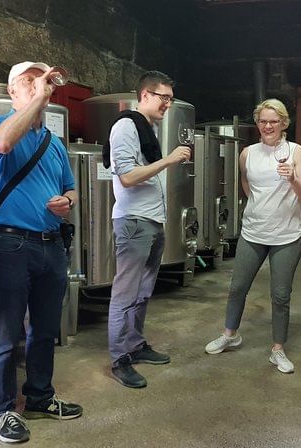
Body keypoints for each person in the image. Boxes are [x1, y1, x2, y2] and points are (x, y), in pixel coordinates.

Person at [0, 61, 82, 444]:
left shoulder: (53, 142)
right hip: (10, 244)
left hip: (51, 244)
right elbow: (3, 145)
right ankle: (1, 410)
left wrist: (68, 201)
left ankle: (39, 397)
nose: (39, 85)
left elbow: (71, 187)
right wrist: (40, 97)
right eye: (29, 81)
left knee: (45, 329)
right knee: (6, 332)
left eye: (43, 79)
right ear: (12, 91)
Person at [205, 98, 301, 373]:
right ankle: (230, 335)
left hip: (286, 235)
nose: (268, 126)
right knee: (237, 288)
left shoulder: (297, 152)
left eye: (274, 121)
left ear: (284, 123)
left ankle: (278, 349)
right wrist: (262, 208)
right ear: (257, 123)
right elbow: (246, 184)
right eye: (263, 121)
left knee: (280, 295)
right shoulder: (247, 153)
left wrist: (292, 179)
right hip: (253, 232)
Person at [107, 70, 191, 388]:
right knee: (125, 293)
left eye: (171, 99)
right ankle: (120, 359)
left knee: (142, 291)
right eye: (163, 98)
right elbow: (128, 176)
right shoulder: (126, 127)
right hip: (134, 222)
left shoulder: (146, 128)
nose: (168, 104)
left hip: (152, 221)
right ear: (145, 95)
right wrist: (168, 160)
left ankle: (135, 344)